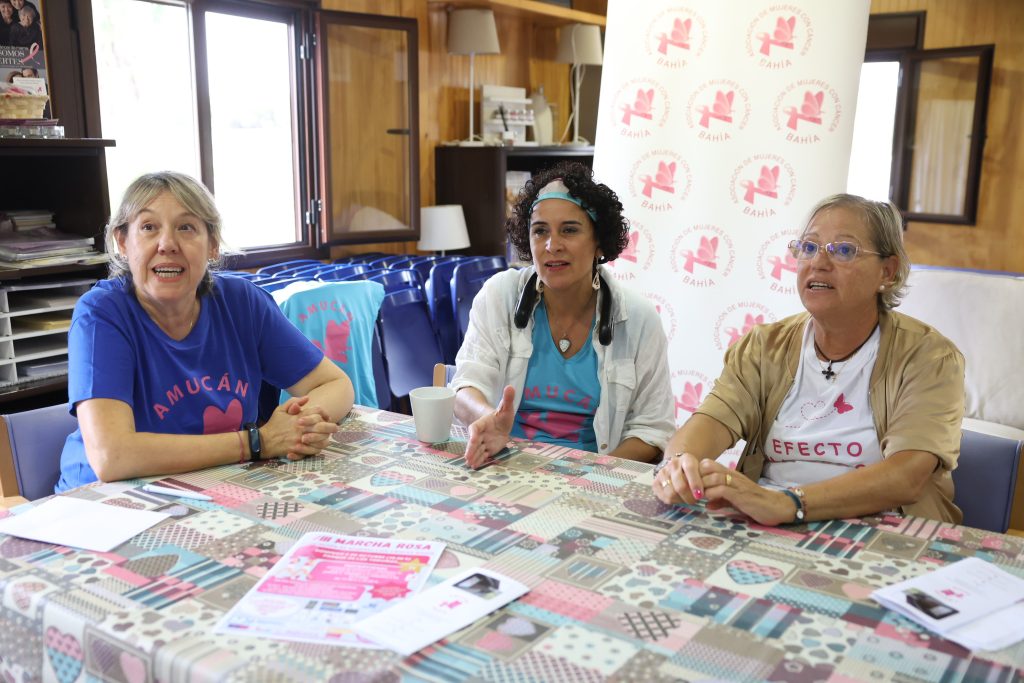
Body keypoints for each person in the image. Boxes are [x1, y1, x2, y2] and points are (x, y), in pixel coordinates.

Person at [652, 194, 965, 524]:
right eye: (809, 247)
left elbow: (906, 476)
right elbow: (711, 421)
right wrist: (680, 464)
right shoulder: (764, 346)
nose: (819, 262)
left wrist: (790, 504)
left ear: (887, 272)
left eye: (844, 250)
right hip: (772, 521)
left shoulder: (930, 358)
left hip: (885, 528)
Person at [57, 171, 354, 491]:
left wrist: (298, 426)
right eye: (148, 227)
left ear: (212, 245)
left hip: (218, 487)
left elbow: (335, 384)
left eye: (186, 227)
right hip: (105, 503)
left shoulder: (242, 302)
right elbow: (111, 457)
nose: (167, 244)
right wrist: (258, 442)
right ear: (122, 243)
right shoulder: (101, 314)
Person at [451, 161, 674, 469]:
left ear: (598, 242)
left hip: (597, 479)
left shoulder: (637, 318)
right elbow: (465, 385)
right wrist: (487, 418)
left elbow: (653, 429)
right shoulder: (499, 295)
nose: (552, 245)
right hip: (506, 466)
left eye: (569, 230)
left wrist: (593, 474)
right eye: (540, 231)